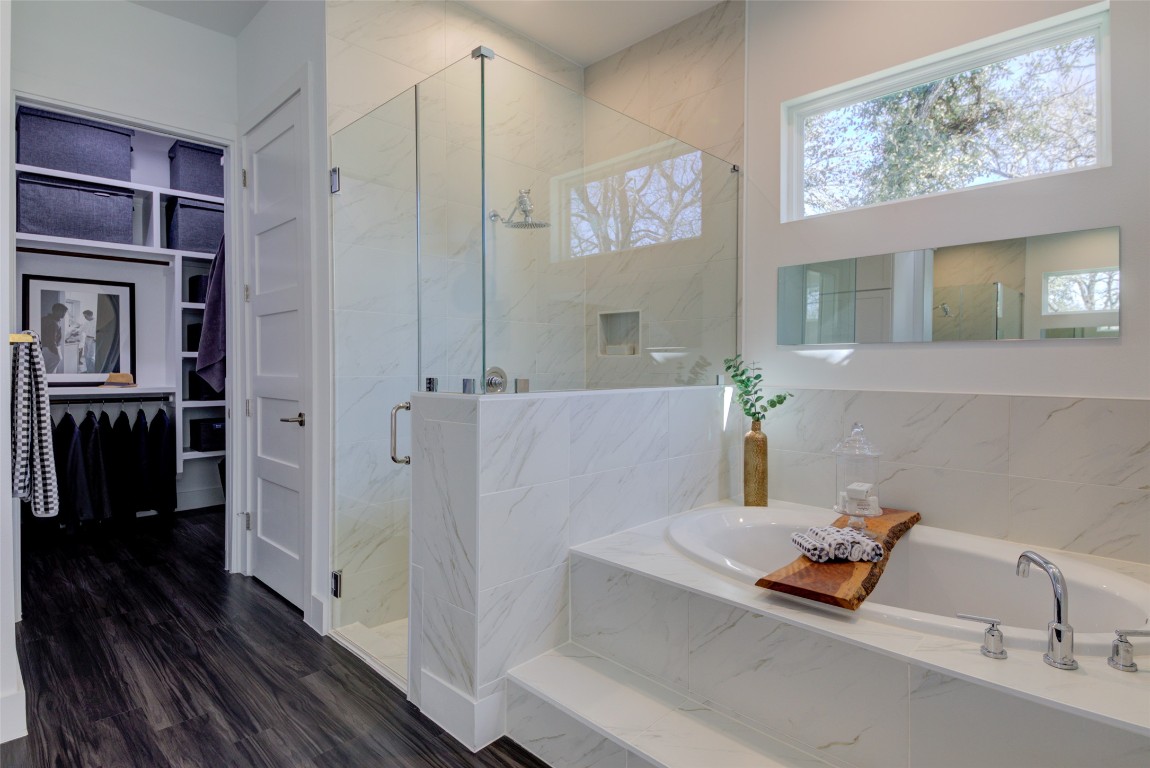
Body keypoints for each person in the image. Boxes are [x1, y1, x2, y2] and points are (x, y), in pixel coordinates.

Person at [39, 303, 68, 374]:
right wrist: (57, 354)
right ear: (55, 311)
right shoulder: (53, 323)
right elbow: (51, 340)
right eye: (62, 312)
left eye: (65, 312)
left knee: (45, 370)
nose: (64, 314)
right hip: (50, 349)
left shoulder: (45, 319)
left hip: (44, 348)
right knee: (50, 372)